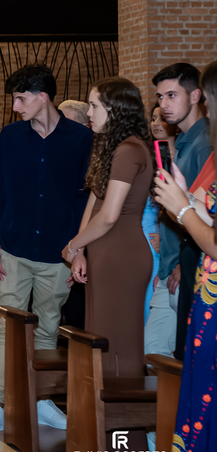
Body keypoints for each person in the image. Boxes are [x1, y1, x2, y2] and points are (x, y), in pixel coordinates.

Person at [0, 64, 92, 437]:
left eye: (21, 98)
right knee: (9, 326)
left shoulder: (80, 139)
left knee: (48, 327)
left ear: (43, 96)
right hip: (15, 248)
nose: (15, 105)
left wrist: (79, 248)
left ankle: (40, 401)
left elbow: (84, 200)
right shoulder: (10, 137)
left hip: (59, 252)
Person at [149, 60, 217, 452]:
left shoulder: (203, 140)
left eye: (172, 95)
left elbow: (204, 228)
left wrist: (185, 207)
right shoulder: (191, 143)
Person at [61, 78, 154, 377]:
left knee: (118, 345)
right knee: (99, 339)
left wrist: (73, 244)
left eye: (94, 105)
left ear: (115, 110)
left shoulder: (129, 149)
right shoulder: (111, 146)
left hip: (121, 255)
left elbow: (109, 215)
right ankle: (104, 418)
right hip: (103, 253)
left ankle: (124, 423)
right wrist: (81, 249)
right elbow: (95, 200)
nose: (89, 112)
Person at [153, 62, 211, 360]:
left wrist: (176, 263)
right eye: (160, 97)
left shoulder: (203, 145)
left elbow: (202, 212)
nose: (164, 105)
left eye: (172, 95)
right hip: (183, 256)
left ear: (196, 96)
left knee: (184, 354)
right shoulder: (185, 141)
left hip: (196, 257)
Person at [145, 103, 181, 356]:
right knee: (155, 349)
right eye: (153, 118)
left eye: (161, 118)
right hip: (160, 248)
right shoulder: (149, 155)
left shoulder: (188, 152)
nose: (156, 122)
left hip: (174, 250)